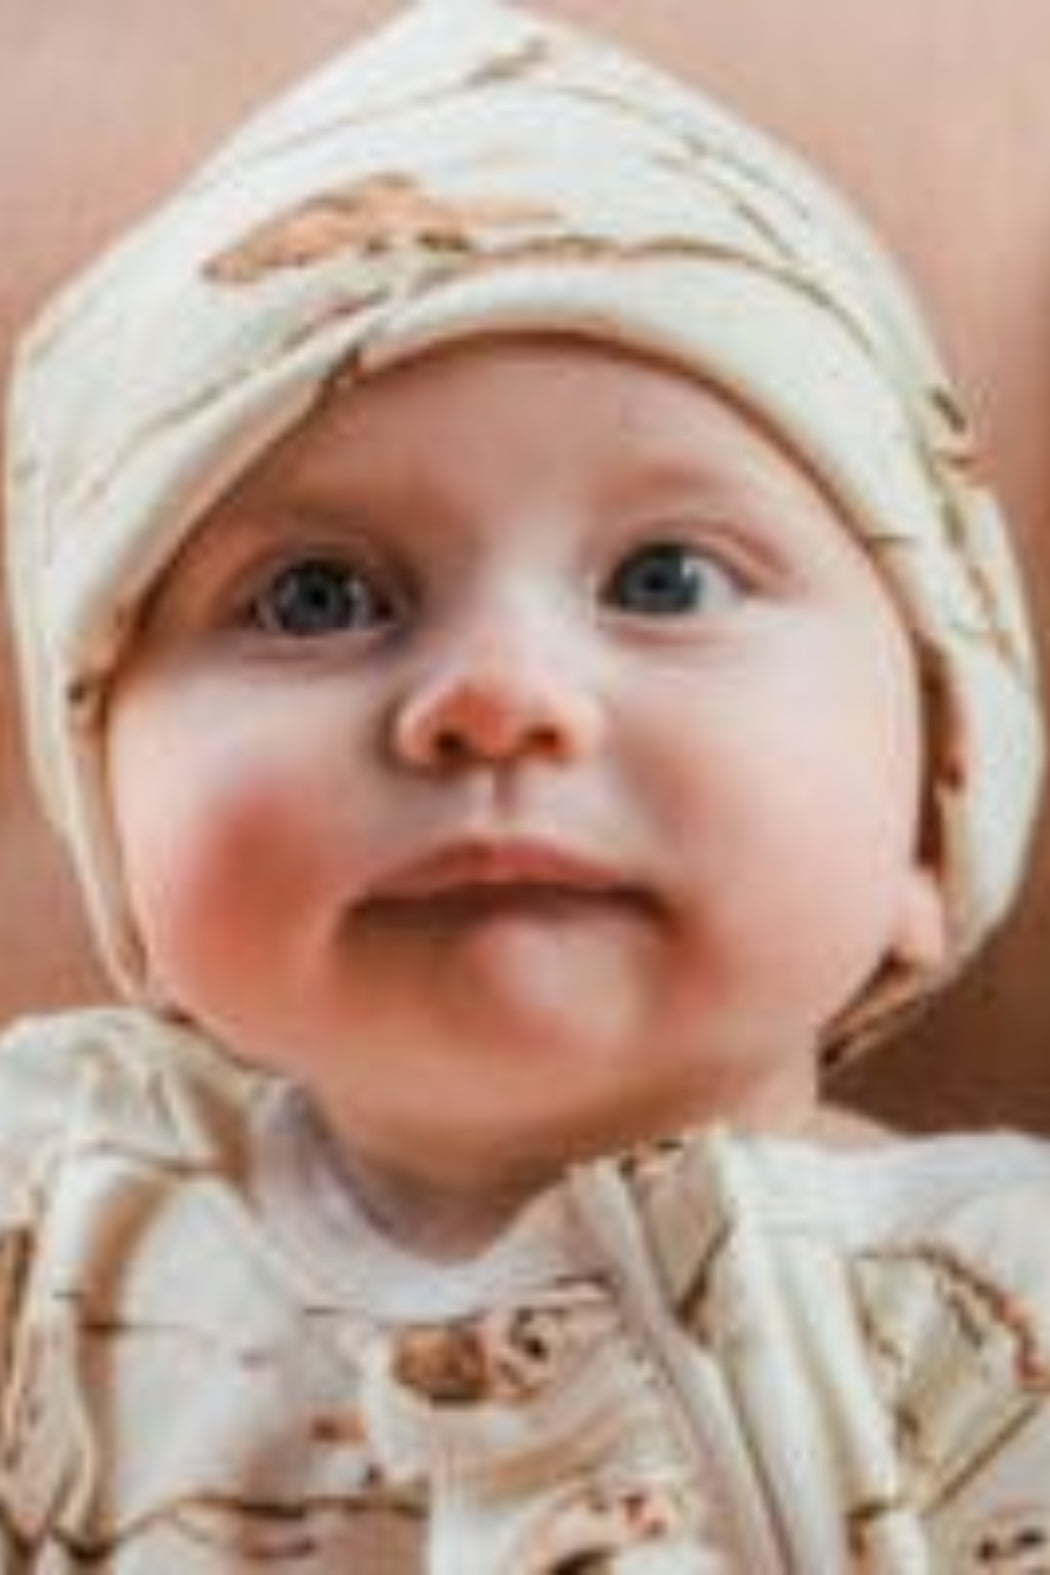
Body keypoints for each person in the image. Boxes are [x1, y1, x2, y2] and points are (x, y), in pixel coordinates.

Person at [2, 0, 1048, 1567]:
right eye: (315, 597)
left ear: (933, 796)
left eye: (664, 578)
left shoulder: (997, 1309)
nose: (495, 700)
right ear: (113, 821)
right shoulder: (51, 1219)